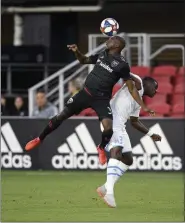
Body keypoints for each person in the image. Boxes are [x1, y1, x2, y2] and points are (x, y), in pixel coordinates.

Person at [25, 36, 154, 165]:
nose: (108, 40)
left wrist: (144, 106)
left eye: (111, 40)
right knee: (60, 116)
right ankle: (39, 138)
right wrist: (77, 51)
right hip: (85, 93)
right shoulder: (103, 54)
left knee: (108, 127)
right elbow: (84, 60)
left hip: (101, 99)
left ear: (117, 46)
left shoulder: (122, 65)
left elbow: (132, 88)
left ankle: (101, 147)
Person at [96, 74, 162, 208]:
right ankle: (109, 192)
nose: (156, 91)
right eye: (155, 88)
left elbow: (134, 121)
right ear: (147, 84)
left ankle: (105, 187)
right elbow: (124, 73)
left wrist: (150, 134)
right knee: (117, 151)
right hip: (110, 121)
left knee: (128, 159)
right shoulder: (137, 82)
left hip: (120, 126)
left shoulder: (138, 101)